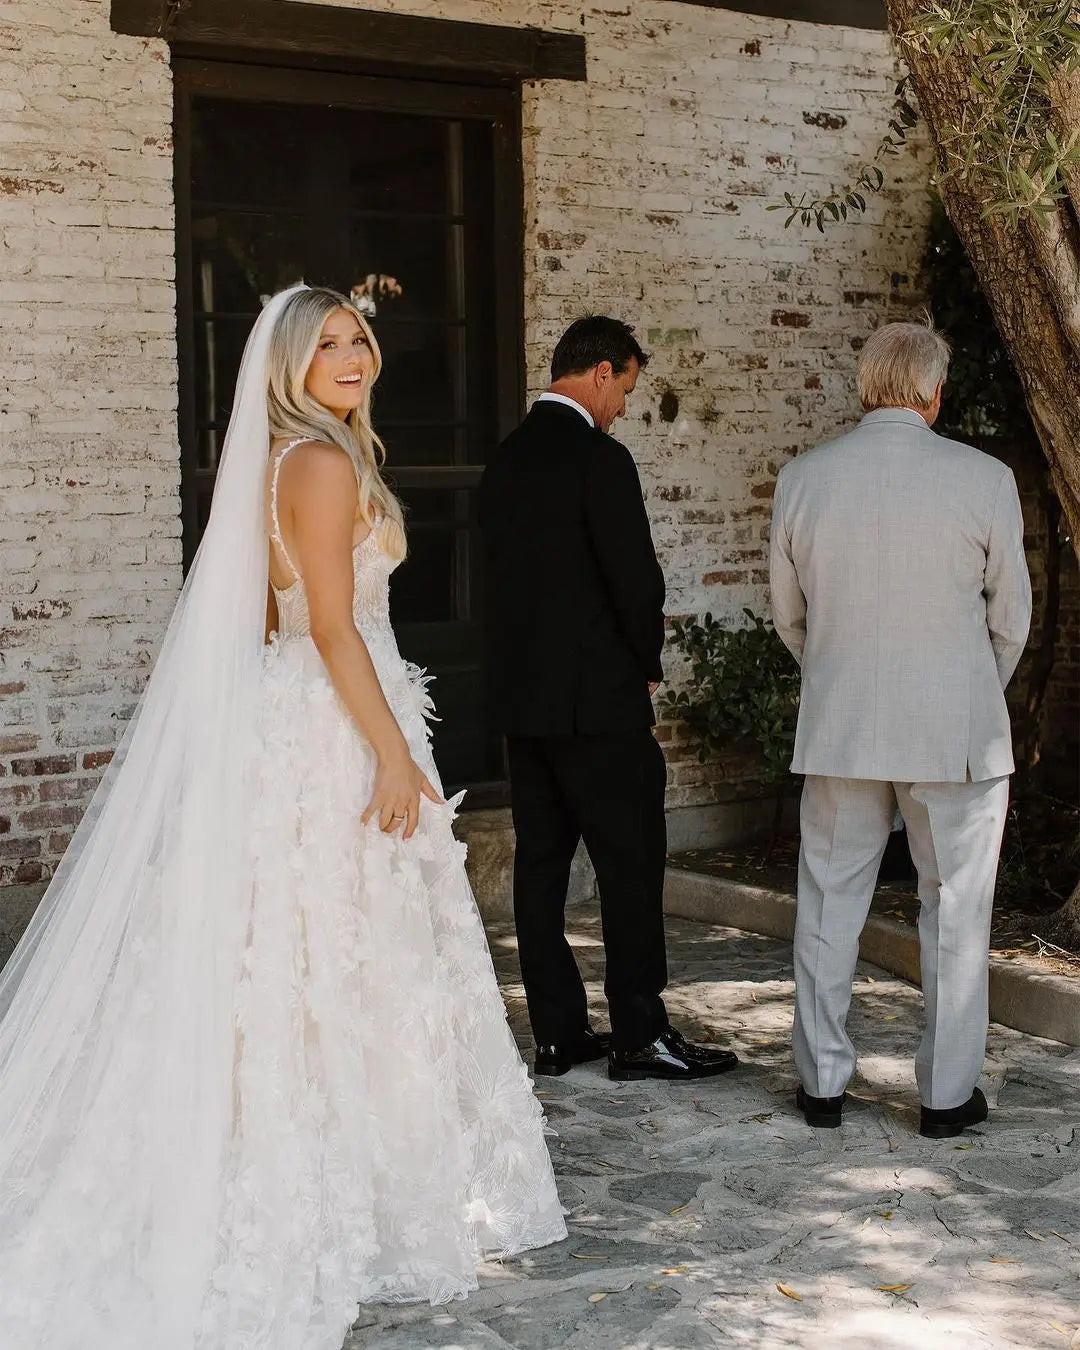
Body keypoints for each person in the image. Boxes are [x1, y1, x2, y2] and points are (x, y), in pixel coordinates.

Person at [0, 285, 565, 1349]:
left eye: (359, 339)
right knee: (346, 952)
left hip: (306, 716)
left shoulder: (295, 459)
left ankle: (350, 1164)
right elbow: (336, 629)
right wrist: (393, 754)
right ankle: (339, 1185)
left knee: (325, 955)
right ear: (288, 367)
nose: (352, 358)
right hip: (337, 726)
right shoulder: (314, 463)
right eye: (327, 346)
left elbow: (281, 620)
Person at [769, 319, 1032, 1139]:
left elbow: (790, 618)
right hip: (953, 733)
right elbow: (1011, 619)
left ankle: (821, 1086)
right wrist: (964, 693)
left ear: (865, 387)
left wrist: (843, 679)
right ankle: (946, 1099)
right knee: (955, 912)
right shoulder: (984, 478)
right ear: (934, 393)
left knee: (828, 903)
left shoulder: (804, 477)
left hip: (843, 725)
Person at [478, 316, 739, 1083]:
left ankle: (558, 1034)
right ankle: (639, 1033)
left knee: (541, 870)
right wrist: (646, 664)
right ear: (598, 373)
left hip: (524, 711)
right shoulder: (600, 459)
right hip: (600, 707)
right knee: (630, 867)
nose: (623, 405)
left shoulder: (503, 463)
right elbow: (636, 581)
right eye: (623, 388)